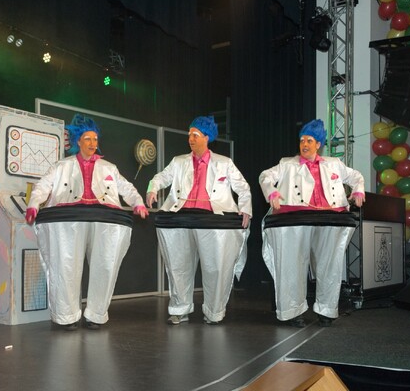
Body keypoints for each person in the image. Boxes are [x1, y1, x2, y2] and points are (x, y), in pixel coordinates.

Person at [25, 114, 148, 331]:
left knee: (105, 264)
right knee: (66, 265)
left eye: (95, 139)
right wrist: (34, 204)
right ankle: (67, 316)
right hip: (69, 220)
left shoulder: (109, 167)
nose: (92, 144)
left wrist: (137, 202)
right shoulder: (62, 166)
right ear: (78, 141)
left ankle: (96, 315)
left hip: (104, 220)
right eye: (88, 139)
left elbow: (125, 187)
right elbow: (43, 186)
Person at [146, 116, 251, 325]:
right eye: (189, 135)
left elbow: (243, 187)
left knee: (214, 267)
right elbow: (160, 177)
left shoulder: (224, 163)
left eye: (195, 135)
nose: (190, 139)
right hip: (181, 218)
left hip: (212, 220)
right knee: (178, 266)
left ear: (206, 137)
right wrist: (152, 188)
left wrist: (245, 208)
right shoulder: (179, 162)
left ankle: (214, 311)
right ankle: (180, 309)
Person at [259, 119, 365, 327]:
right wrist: (272, 191)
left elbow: (356, 176)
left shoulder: (334, 163)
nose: (304, 144)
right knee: (292, 264)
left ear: (318, 144)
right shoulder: (287, 164)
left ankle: (327, 310)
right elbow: (265, 176)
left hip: (330, 218)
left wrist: (358, 190)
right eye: (302, 140)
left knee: (330, 264)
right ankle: (291, 311)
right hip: (294, 219)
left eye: (309, 140)